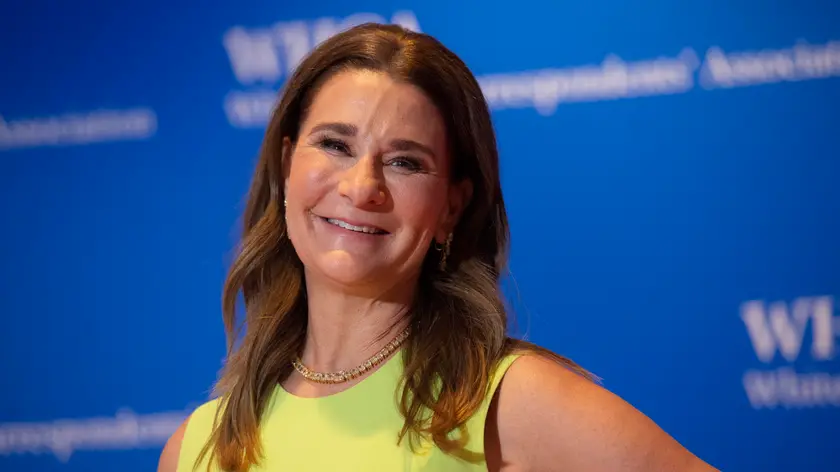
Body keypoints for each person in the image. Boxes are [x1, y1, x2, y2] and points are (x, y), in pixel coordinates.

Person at [159, 23, 717, 472]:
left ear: (451, 206)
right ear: (287, 167)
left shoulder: (505, 405)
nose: (361, 187)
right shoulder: (196, 450)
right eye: (334, 144)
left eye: (405, 162)